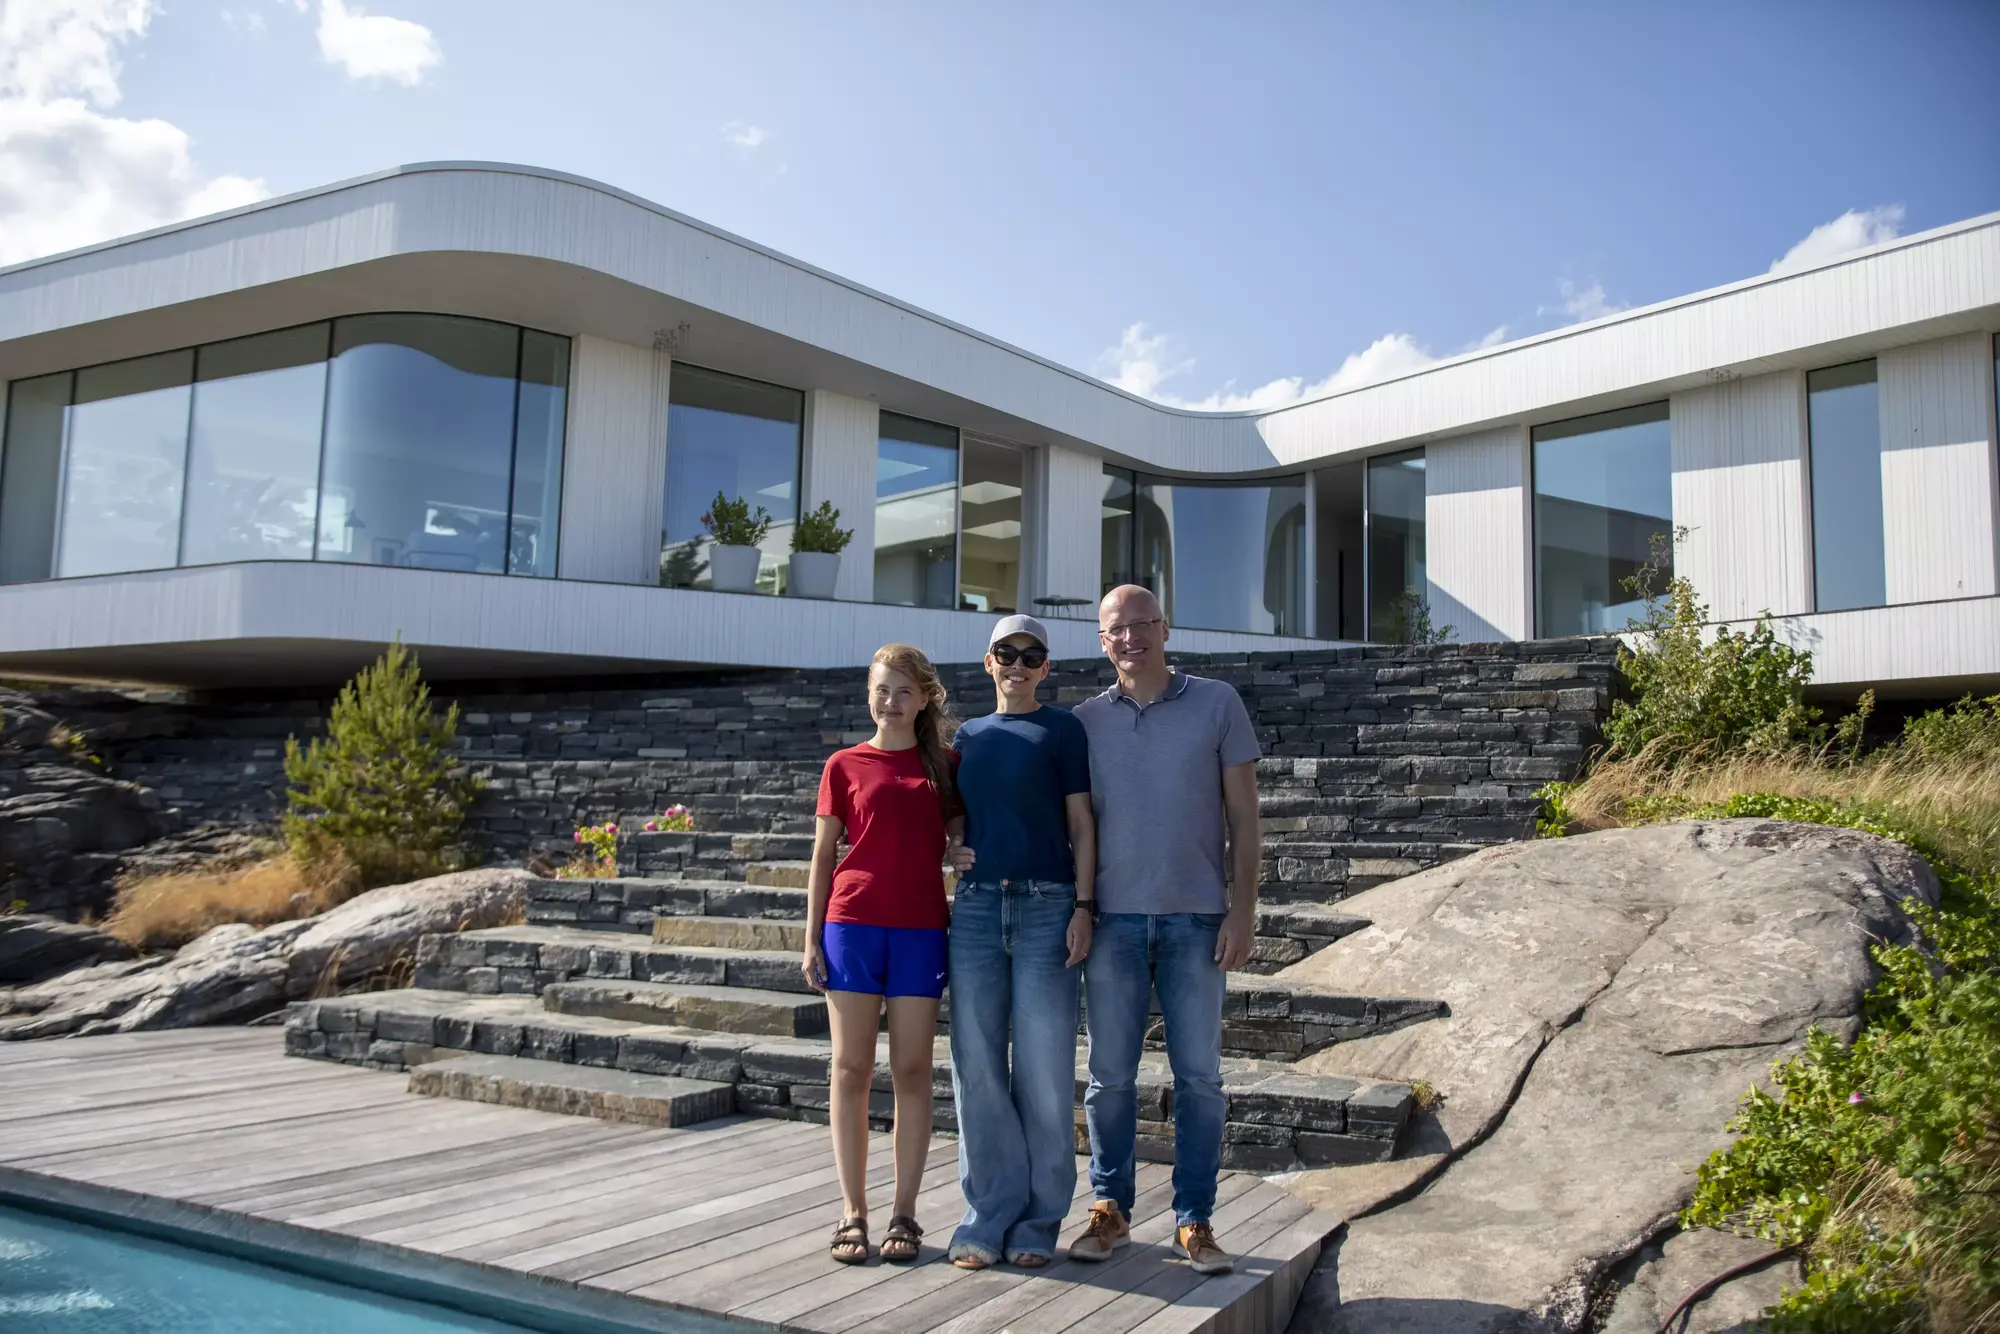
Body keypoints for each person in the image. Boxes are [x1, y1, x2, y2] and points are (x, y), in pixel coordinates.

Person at [1067, 585, 1261, 1277]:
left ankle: (1195, 1220)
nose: (1130, 639)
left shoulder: (1216, 704)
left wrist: (1242, 910)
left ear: (1166, 628)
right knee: (1108, 1079)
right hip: (1114, 921)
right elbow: (1069, 822)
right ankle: (1110, 1210)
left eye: (1142, 625)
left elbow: (1244, 819)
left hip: (1197, 921)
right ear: (1102, 639)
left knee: (1200, 1080)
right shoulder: (1083, 721)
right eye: (1116, 629)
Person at [943, 614, 1096, 1271]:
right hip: (976, 912)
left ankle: (1038, 1219)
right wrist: (952, 845)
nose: (1018, 663)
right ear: (987, 662)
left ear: (1046, 669)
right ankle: (987, 1214)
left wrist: (1085, 905)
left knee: (1042, 1069)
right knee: (975, 1064)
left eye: (1031, 656)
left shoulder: (1062, 730)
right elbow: (957, 813)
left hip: (1046, 907)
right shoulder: (969, 736)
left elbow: (1083, 826)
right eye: (1006, 653)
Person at [802, 643, 962, 1266]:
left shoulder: (944, 765)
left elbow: (959, 838)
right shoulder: (843, 764)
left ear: (924, 698)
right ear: (867, 695)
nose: (890, 701)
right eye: (881, 689)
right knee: (850, 1069)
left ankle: (904, 1213)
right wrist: (810, 935)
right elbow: (822, 856)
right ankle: (853, 1212)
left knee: (914, 1070)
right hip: (852, 925)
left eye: (903, 691)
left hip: (921, 929)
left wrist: (960, 851)